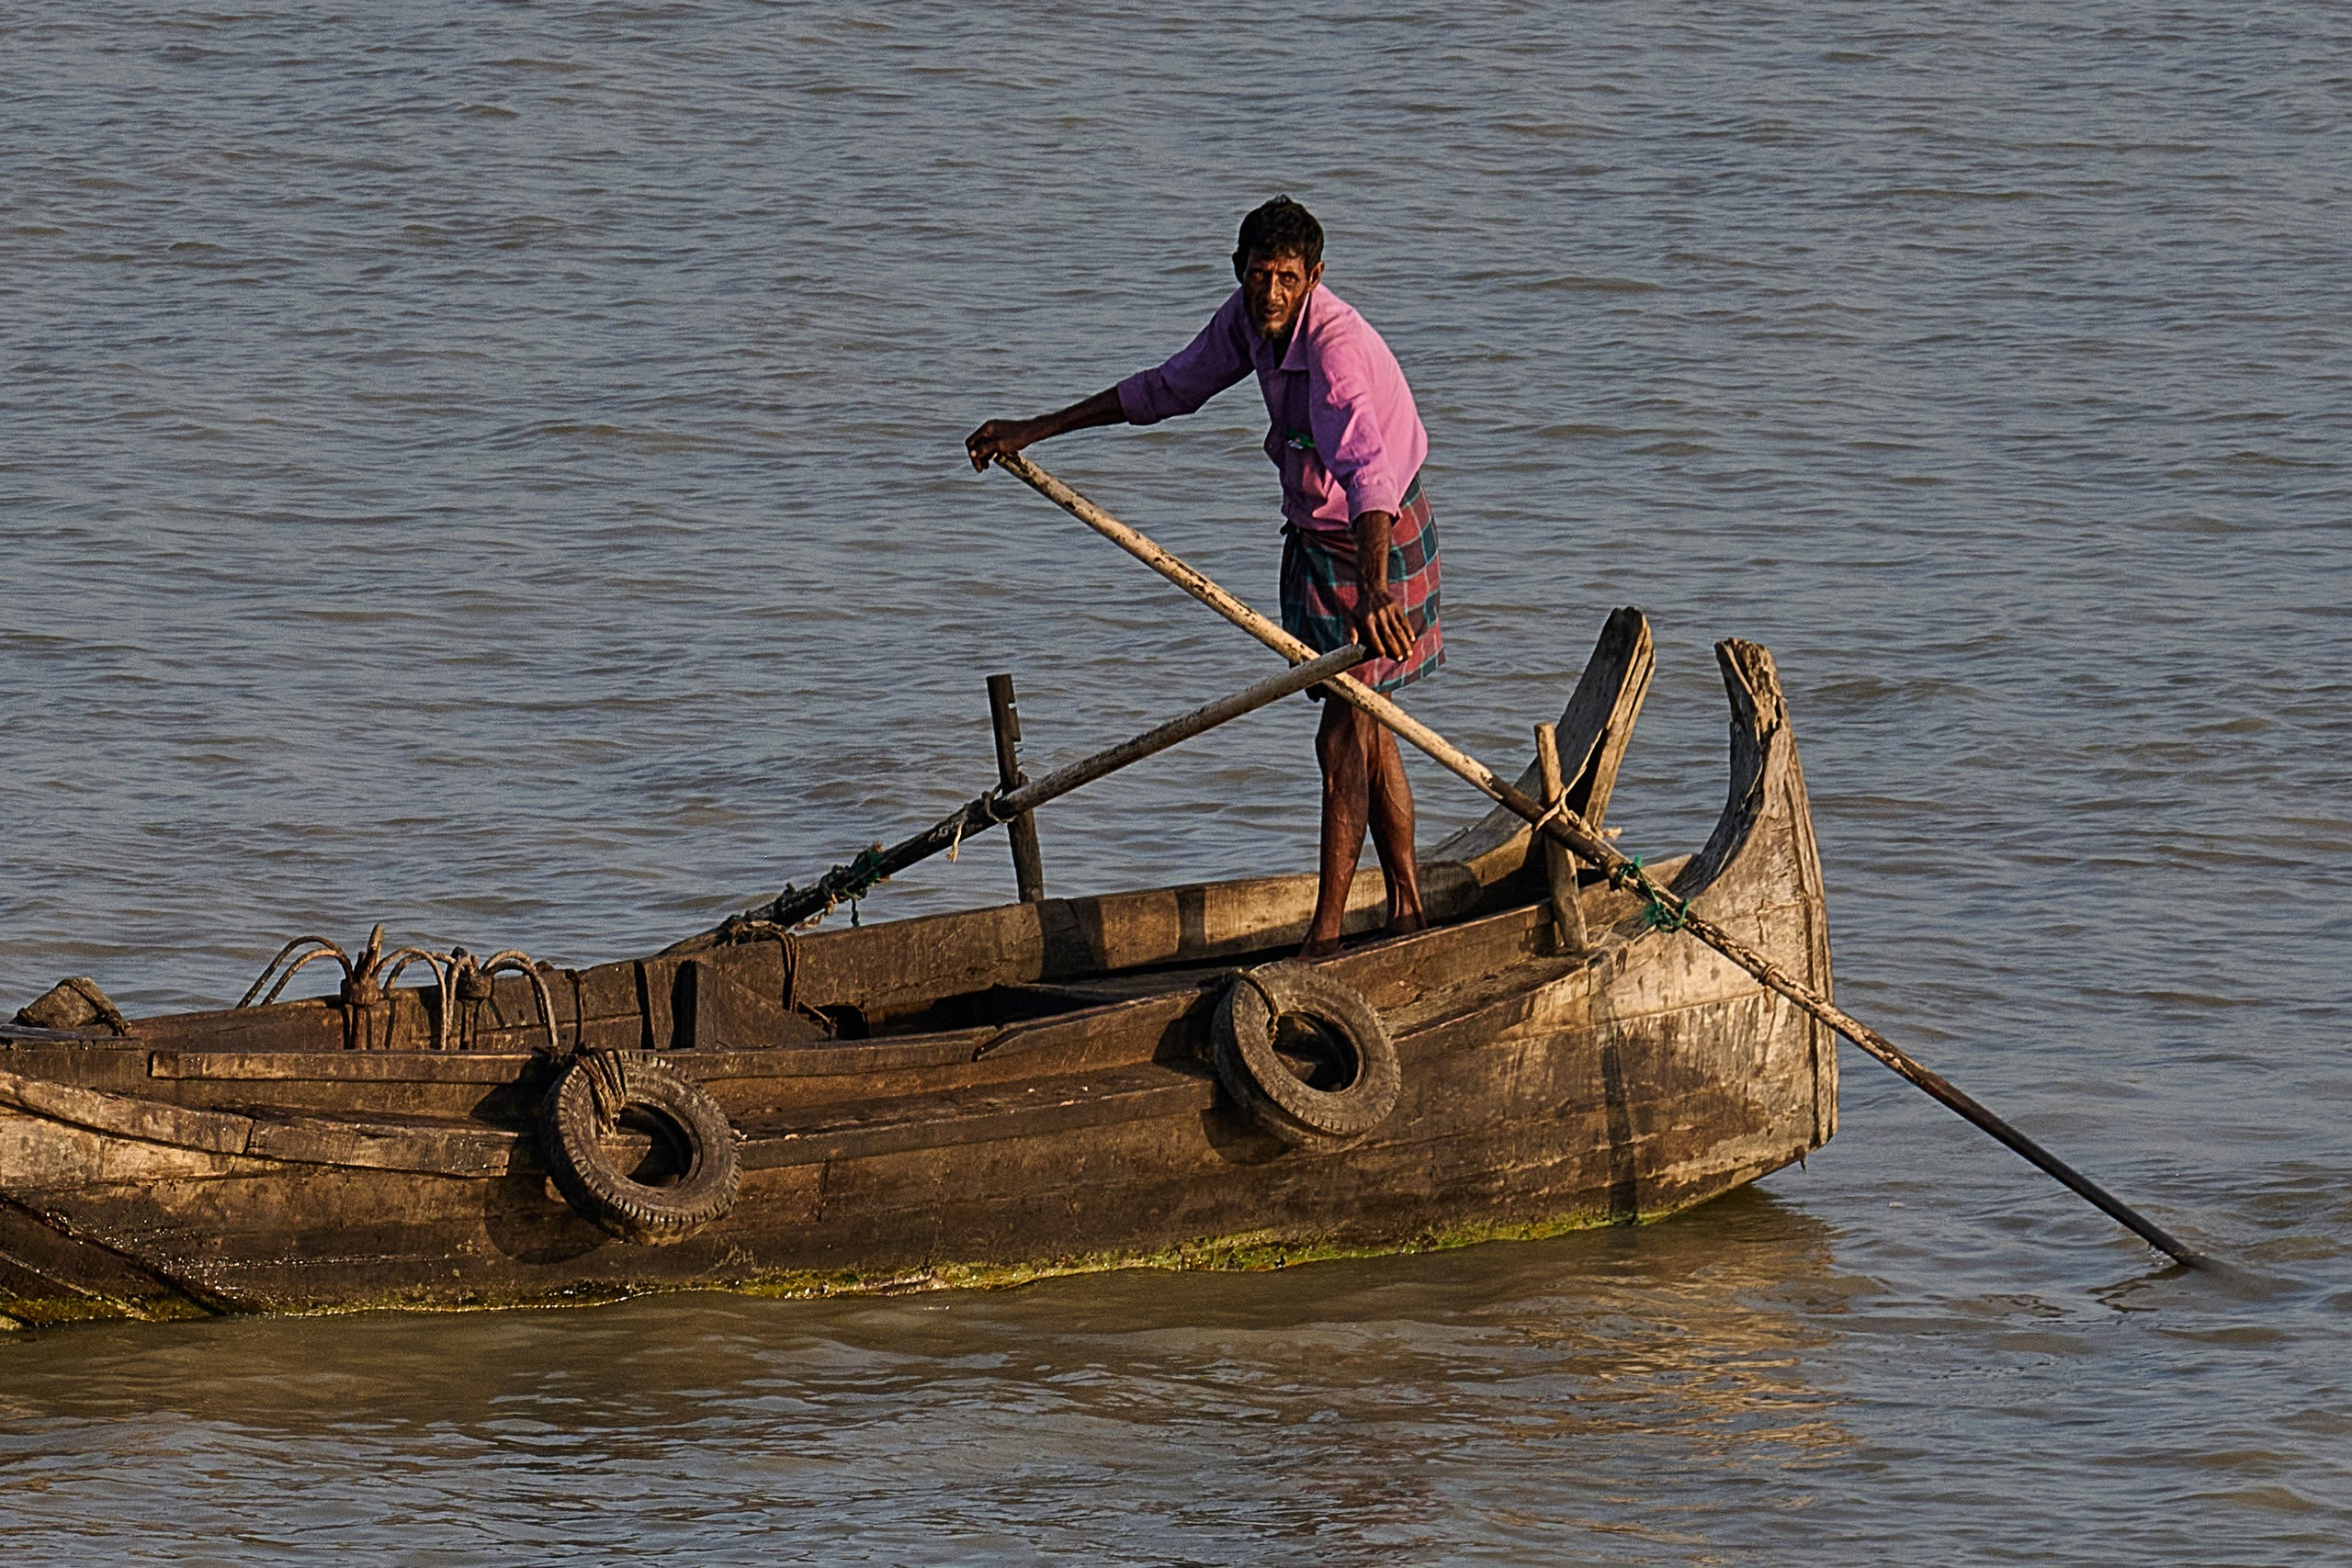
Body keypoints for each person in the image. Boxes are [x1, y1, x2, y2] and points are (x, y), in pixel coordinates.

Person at [967, 196, 1442, 957]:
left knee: (1343, 734)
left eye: (1288, 279)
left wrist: (1376, 588)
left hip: (1376, 532)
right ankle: (1408, 911)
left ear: (1315, 277)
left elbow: (1369, 475)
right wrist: (1037, 428)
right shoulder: (1246, 322)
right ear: (1238, 270)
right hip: (1317, 532)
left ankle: (1324, 937)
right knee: (1366, 721)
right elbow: (1167, 389)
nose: (1272, 294)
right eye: (1259, 276)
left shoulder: (1335, 352)